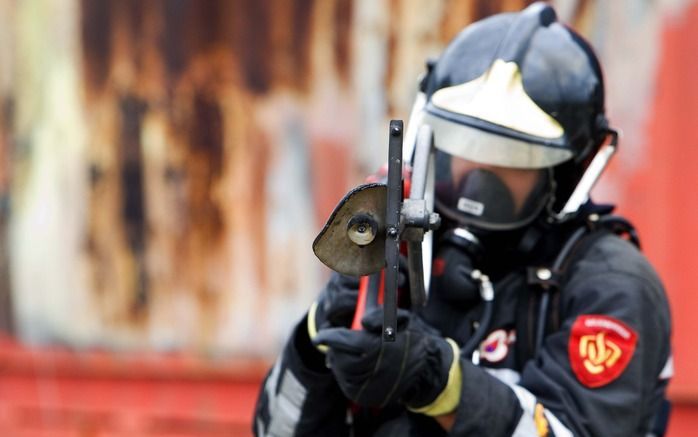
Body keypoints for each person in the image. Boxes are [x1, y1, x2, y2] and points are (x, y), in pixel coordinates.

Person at [253, 3, 672, 436]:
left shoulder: (612, 288)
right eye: (461, 141)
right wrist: (319, 336)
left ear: (569, 170)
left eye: (513, 156)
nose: (478, 170)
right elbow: (273, 431)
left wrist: (441, 383)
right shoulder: (402, 249)